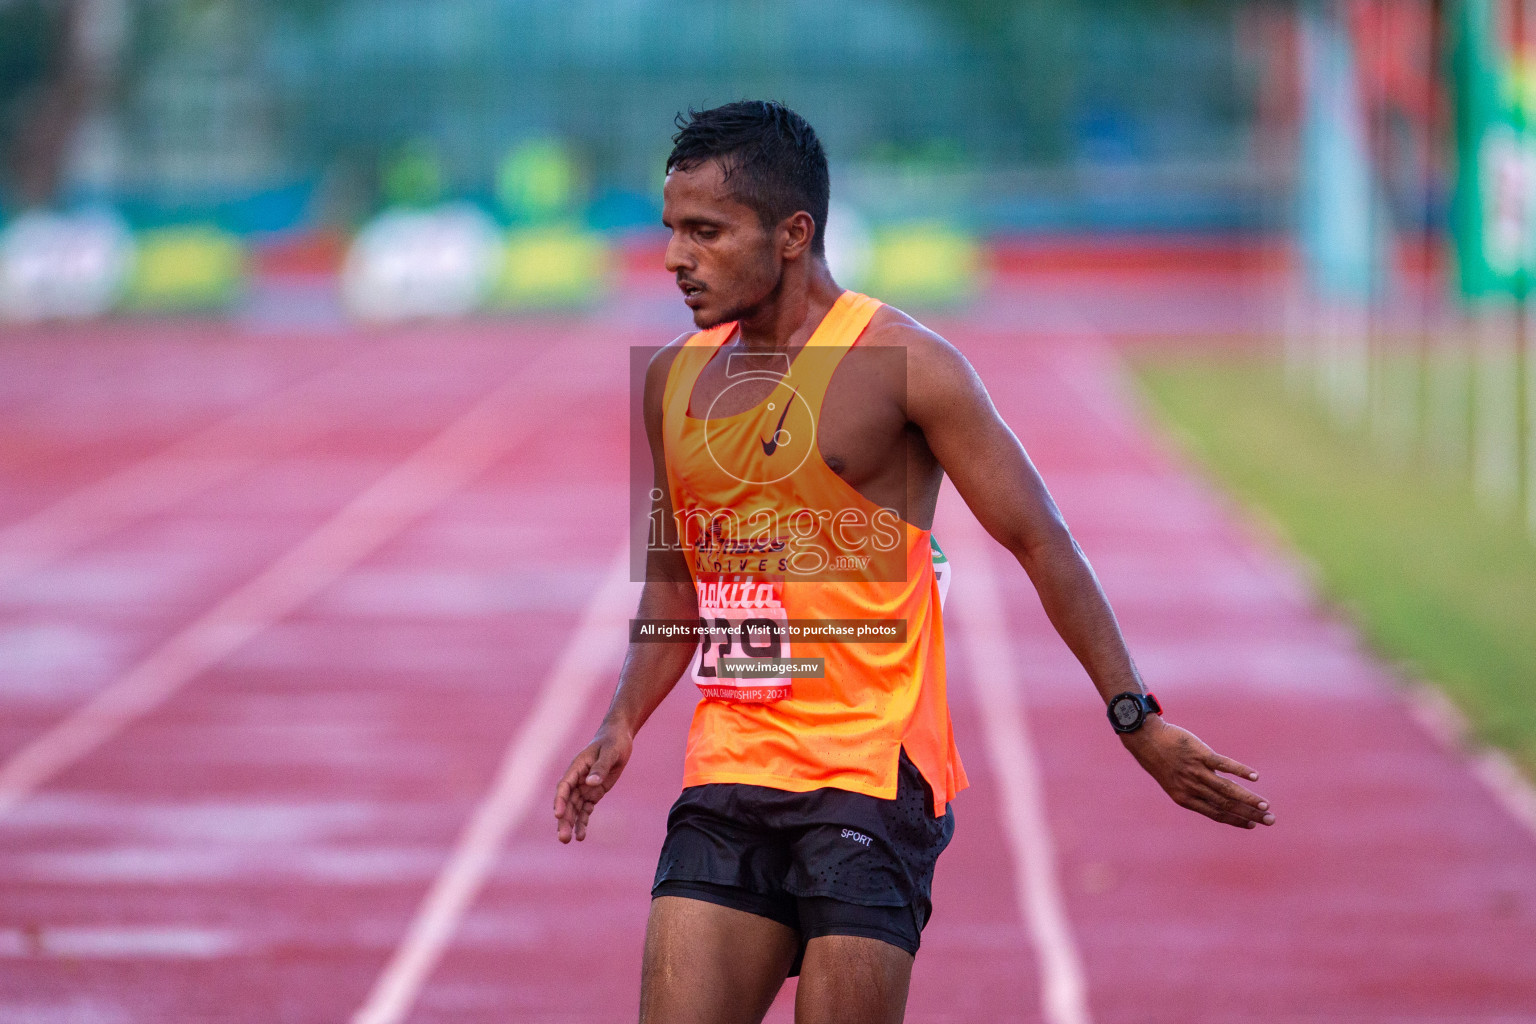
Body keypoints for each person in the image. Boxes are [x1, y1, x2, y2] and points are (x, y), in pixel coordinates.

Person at [553, 100, 1274, 1024]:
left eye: (705, 232)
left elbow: (1040, 538)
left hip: (871, 772)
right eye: (670, 232)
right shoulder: (671, 381)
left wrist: (1136, 718)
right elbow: (674, 584)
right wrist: (621, 725)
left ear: (791, 234)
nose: (673, 259)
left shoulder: (906, 365)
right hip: (731, 764)